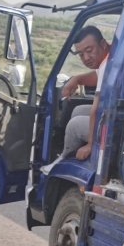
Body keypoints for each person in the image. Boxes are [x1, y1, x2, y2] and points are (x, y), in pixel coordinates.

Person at [49, 26, 110, 166]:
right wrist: (76, 79)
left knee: (74, 125)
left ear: (103, 44)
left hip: (117, 127)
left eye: (89, 51)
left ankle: (63, 160)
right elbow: (97, 76)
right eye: (81, 54)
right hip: (117, 115)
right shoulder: (111, 57)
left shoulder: (107, 65)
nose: (86, 58)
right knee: (79, 110)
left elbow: (96, 108)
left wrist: (91, 144)